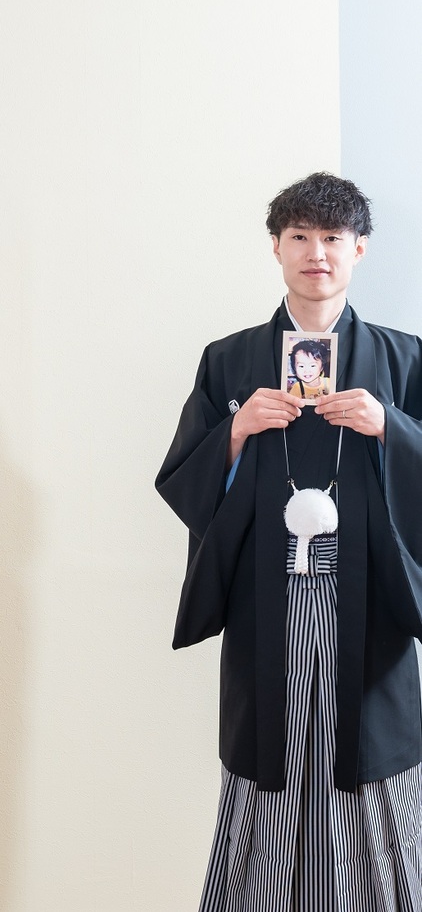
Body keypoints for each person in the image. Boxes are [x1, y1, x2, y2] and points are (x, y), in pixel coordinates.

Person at [156, 173, 422, 910]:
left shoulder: (405, 359)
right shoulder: (229, 360)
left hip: (370, 605)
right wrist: (236, 431)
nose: (316, 254)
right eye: (299, 236)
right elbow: (181, 478)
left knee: (369, 769)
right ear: (276, 247)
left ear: (359, 249)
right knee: (268, 768)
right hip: (266, 602)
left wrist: (390, 428)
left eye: (333, 238)